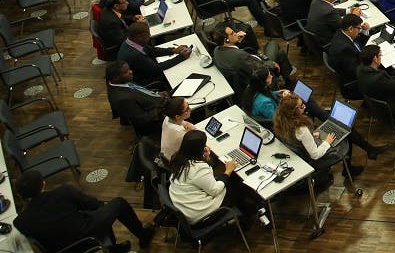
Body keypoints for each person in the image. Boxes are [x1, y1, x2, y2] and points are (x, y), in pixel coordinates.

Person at [14, 169, 155, 253]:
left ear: (21, 196)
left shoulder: (20, 222)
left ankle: (113, 248)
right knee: (118, 204)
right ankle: (143, 236)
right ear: (43, 184)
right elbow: (94, 205)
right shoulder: (64, 192)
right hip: (86, 234)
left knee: (101, 213)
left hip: (63, 250)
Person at [167, 129, 234, 224]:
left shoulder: (177, 158)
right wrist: (228, 171)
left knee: (224, 180)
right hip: (200, 216)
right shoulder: (198, 168)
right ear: (198, 149)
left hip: (185, 206)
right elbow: (214, 190)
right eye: (204, 145)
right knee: (236, 186)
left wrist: (205, 158)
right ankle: (242, 222)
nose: (206, 147)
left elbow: (202, 178)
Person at [118, 21, 191, 90]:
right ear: (139, 36)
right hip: (144, 80)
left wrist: (173, 50)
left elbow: (151, 50)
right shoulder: (134, 55)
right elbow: (156, 68)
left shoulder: (131, 41)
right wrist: (181, 57)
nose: (150, 36)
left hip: (146, 69)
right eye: (148, 34)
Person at [105, 60, 165, 137]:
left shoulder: (121, 82)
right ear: (116, 77)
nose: (131, 72)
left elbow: (141, 91)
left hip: (156, 101)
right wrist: (163, 107)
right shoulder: (123, 99)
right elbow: (141, 119)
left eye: (129, 69)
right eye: (125, 72)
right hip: (157, 117)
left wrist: (156, 93)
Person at [161, 96, 196, 161]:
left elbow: (185, 123)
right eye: (187, 109)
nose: (190, 109)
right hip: (176, 162)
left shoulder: (167, 119)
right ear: (177, 116)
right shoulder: (181, 134)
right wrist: (190, 132)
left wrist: (189, 128)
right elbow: (197, 143)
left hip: (166, 155)